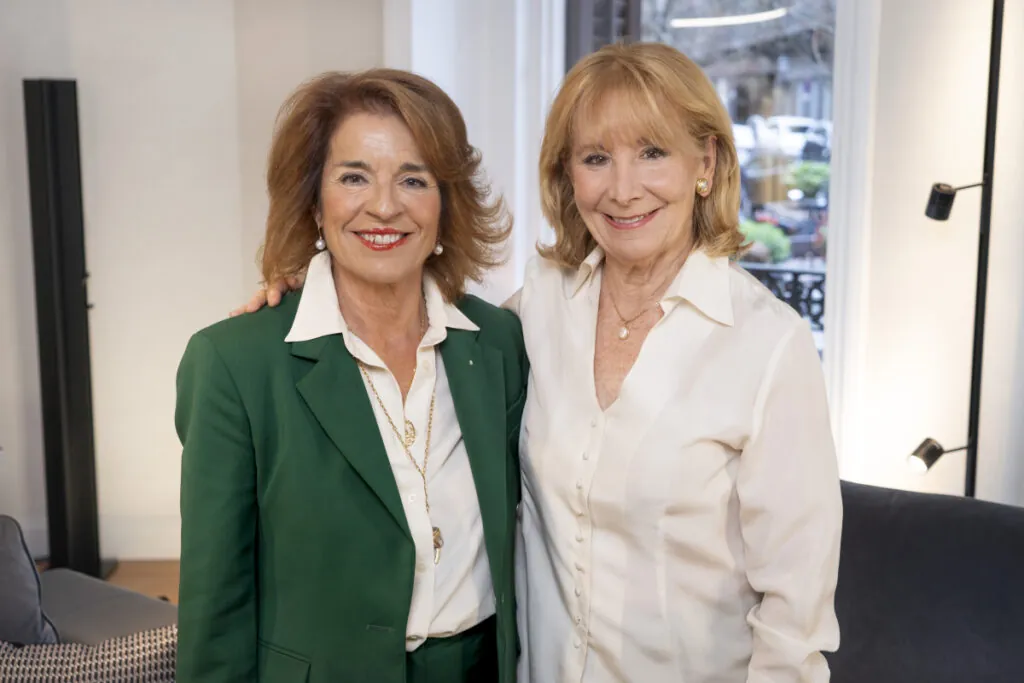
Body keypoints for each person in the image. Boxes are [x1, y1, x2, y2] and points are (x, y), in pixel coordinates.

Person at [244, 42, 842, 683]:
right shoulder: (538, 309)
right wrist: (311, 292)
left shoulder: (768, 345)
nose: (623, 189)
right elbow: (416, 319)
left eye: (653, 153)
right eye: (595, 158)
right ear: (567, 176)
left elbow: (794, 619)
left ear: (707, 162)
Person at [175, 69, 527, 683]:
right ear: (315, 202)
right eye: (354, 177)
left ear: (446, 204)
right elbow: (215, 606)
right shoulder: (234, 364)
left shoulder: (498, 342)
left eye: (413, 179)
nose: (384, 206)